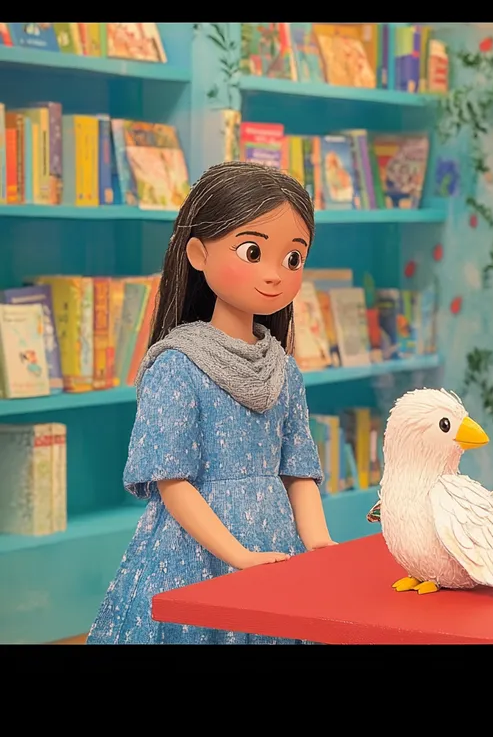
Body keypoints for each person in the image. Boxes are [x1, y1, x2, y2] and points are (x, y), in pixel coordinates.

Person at [87, 162, 335, 644]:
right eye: (252, 251)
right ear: (198, 253)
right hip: (193, 553)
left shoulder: (284, 372)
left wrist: (318, 541)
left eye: (292, 259)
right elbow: (172, 480)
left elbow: (298, 471)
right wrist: (235, 554)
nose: (274, 275)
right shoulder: (178, 365)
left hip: (274, 544)